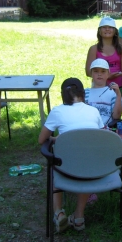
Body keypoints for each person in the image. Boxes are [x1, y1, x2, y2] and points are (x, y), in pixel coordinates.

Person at [39, 78, 104, 232]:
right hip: (94, 168)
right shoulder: (93, 111)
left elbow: (41, 139)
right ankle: (79, 217)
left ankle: (58, 212)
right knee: (86, 162)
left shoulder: (57, 111)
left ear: (63, 95)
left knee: (55, 166)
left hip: (66, 166)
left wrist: (56, 139)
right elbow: (101, 136)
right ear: (83, 93)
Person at [85, 16, 122, 94]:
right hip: (99, 89)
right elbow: (88, 72)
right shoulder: (94, 49)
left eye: (110, 27)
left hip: (118, 88)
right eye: (104, 27)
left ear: (115, 31)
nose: (107, 29)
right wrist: (107, 76)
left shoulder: (120, 49)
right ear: (99, 31)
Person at [85, 59, 122, 127]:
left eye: (103, 71)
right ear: (91, 74)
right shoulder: (85, 93)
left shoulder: (113, 92)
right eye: (96, 71)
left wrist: (118, 95)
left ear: (108, 74)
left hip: (107, 130)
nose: (99, 74)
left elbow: (117, 116)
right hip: (89, 129)